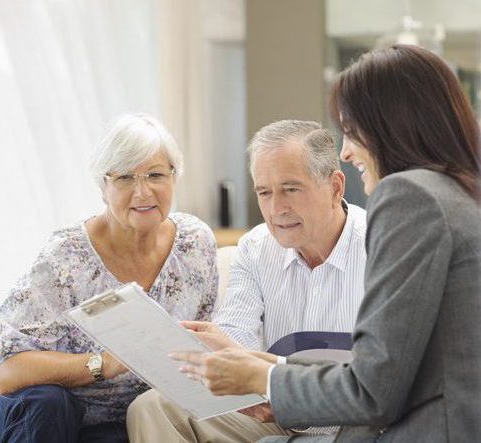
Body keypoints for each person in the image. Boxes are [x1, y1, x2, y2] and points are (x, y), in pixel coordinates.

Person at [171, 44, 481, 442]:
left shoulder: (409, 196)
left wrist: (262, 376)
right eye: (264, 192)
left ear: (391, 126)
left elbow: (372, 391)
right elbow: (394, 369)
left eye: (351, 132)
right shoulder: (458, 193)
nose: (348, 151)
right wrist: (261, 366)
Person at [127, 120, 367, 442]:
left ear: (336, 187)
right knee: (152, 407)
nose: (276, 209)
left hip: (357, 419)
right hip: (278, 412)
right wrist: (219, 351)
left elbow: (383, 379)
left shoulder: (381, 245)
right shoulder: (255, 248)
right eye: (264, 193)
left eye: (291, 189)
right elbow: (236, 340)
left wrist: (270, 379)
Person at [0, 113, 218, 443]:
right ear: (103, 186)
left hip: (126, 417)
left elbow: (202, 346)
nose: (142, 192)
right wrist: (104, 363)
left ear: (174, 177)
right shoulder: (65, 254)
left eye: (155, 175)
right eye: (124, 178)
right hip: (36, 409)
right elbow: (7, 372)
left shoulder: (195, 244)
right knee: (49, 404)